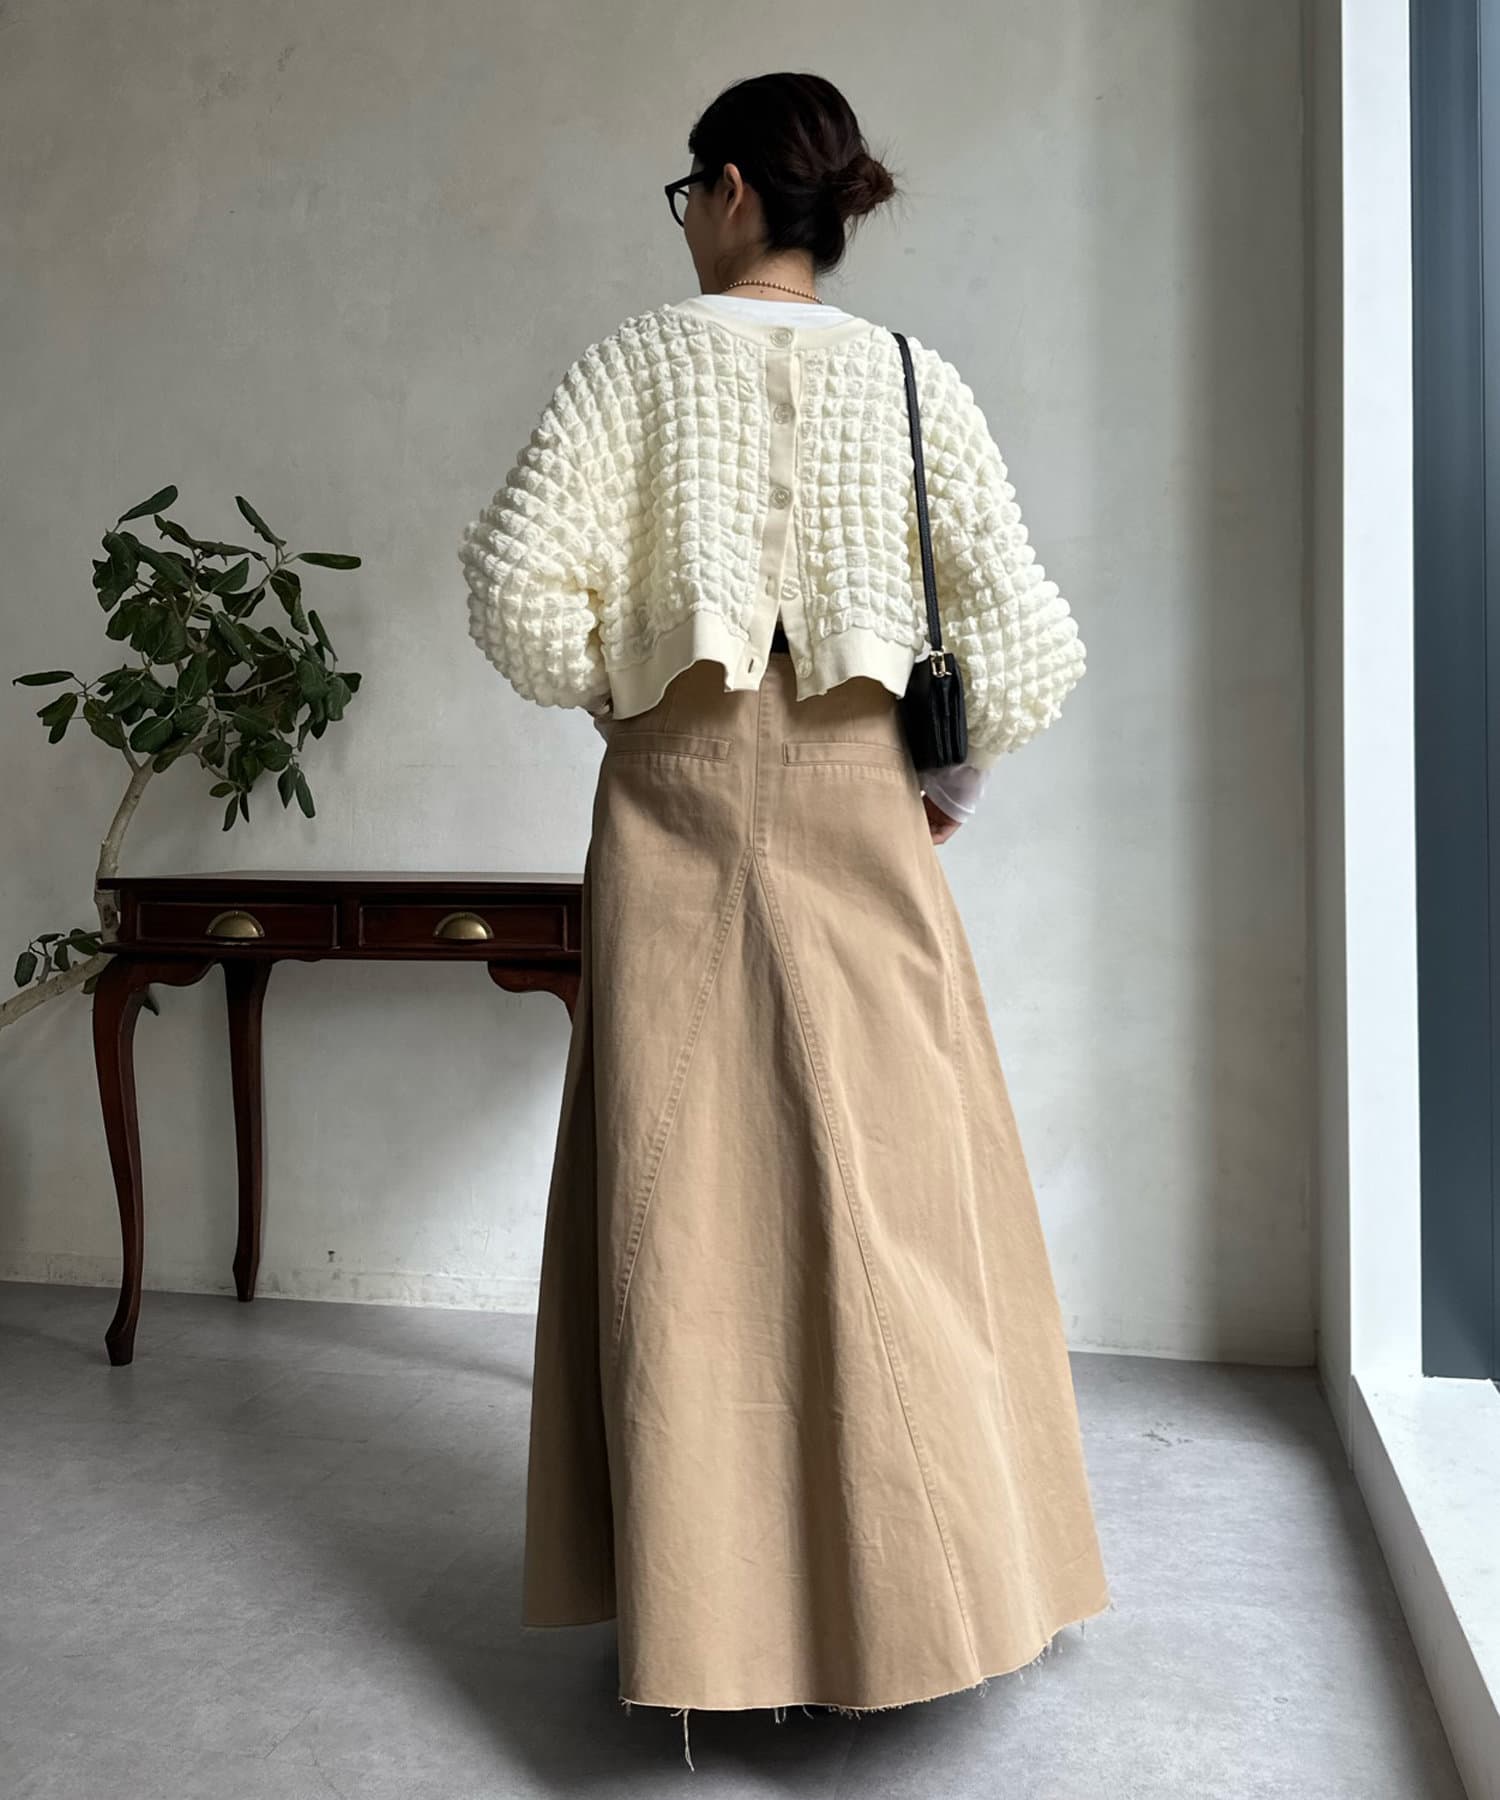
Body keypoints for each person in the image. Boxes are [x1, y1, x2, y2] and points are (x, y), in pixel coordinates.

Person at [458, 70, 1110, 1765]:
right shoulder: (912, 379)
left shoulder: (633, 363)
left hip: (672, 798)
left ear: (734, 188)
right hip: (858, 801)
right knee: (904, 1186)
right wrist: (939, 793)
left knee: (678, 1192)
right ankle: (934, 1595)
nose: (687, 218)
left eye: (692, 190)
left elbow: (518, 592)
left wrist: (628, 698)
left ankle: (709, 1614)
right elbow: (1022, 639)